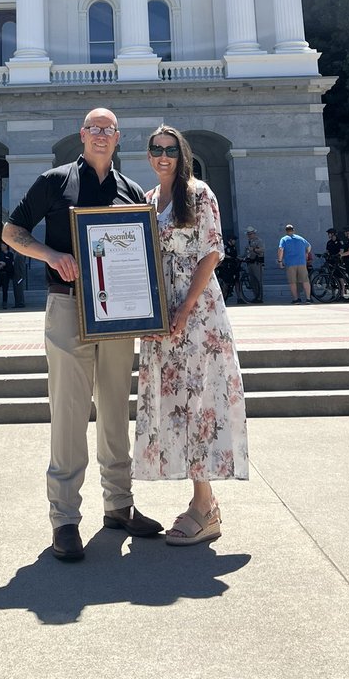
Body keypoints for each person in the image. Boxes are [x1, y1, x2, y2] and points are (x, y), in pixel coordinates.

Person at [3, 106, 163, 563]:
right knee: (69, 413)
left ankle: (118, 504)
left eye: (107, 130)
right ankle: (65, 519)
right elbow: (11, 232)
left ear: (117, 139)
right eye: (92, 128)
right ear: (81, 135)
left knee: (115, 408)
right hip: (68, 306)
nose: (99, 135)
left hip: (117, 316)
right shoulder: (55, 182)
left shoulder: (131, 190)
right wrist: (51, 255)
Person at [134, 125, 248, 544]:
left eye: (171, 150)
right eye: (156, 149)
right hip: (161, 315)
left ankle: (204, 505)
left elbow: (212, 251)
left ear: (183, 155)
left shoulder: (199, 193)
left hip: (196, 313)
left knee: (201, 399)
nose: (163, 156)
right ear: (148, 155)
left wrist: (184, 308)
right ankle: (204, 502)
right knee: (175, 401)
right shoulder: (147, 199)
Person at [277, 223, 314, 304]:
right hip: (302, 262)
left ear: (286, 231)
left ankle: (296, 299)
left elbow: (281, 249)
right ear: (293, 230)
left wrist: (280, 261)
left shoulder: (284, 239)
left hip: (290, 264)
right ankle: (308, 298)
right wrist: (306, 253)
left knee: (292, 282)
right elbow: (309, 246)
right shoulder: (300, 238)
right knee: (305, 281)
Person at [243, 227, 264, 303]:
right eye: (248, 234)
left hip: (257, 263)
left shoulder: (259, 241)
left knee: (258, 280)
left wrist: (254, 249)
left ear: (254, 233)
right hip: (250, 263)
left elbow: (262, 250)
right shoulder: (248, 242)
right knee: (252, 281)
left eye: (250, 234)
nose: (249, 235)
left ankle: (260, 298)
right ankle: (256, 296)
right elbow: (246, 252)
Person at [217, 234, 239, 303]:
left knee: (236, 281)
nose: (234, 241)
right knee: (226, 283)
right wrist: (229, 257)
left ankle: (239, 298)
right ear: (230, 240)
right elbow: (222, 254)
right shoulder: (225, 246)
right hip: (227, 266)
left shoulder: (234, 247)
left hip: (233, 266)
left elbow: (235, 255)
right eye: (233, 240)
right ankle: (223, 298)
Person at [0, 243, 14, 309]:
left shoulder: (10, 254)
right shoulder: (0, 254)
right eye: (1, 246)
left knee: (5, 289)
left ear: (6, 246)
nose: (1, 247)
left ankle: (4, 302)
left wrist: (5, 264)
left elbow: (10, 263)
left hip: (6, 273)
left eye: (3, 246)